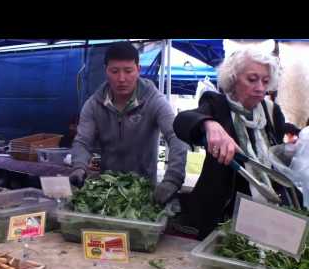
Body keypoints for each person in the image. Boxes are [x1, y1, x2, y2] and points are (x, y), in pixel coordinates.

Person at [173, 47, 299, 240]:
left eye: (265, 81)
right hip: (224, 217)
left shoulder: (272, 112)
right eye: (252, 79)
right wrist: (209, 124)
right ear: (233, 78)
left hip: (268, 216)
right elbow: (182, 121)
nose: (259, 88)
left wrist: (296, 144)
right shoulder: (216, 104)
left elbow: (280, 154)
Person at [70, 41, 188, 205]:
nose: (121, 78)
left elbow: (177, 136)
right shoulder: (93, 105)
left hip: (144, 193)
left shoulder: (154, 100)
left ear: (138, 70)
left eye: (128, 70)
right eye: (115, 71)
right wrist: (79, 166)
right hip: (108, 191)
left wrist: (173, 179)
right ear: (106, 71)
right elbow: (83, 141)